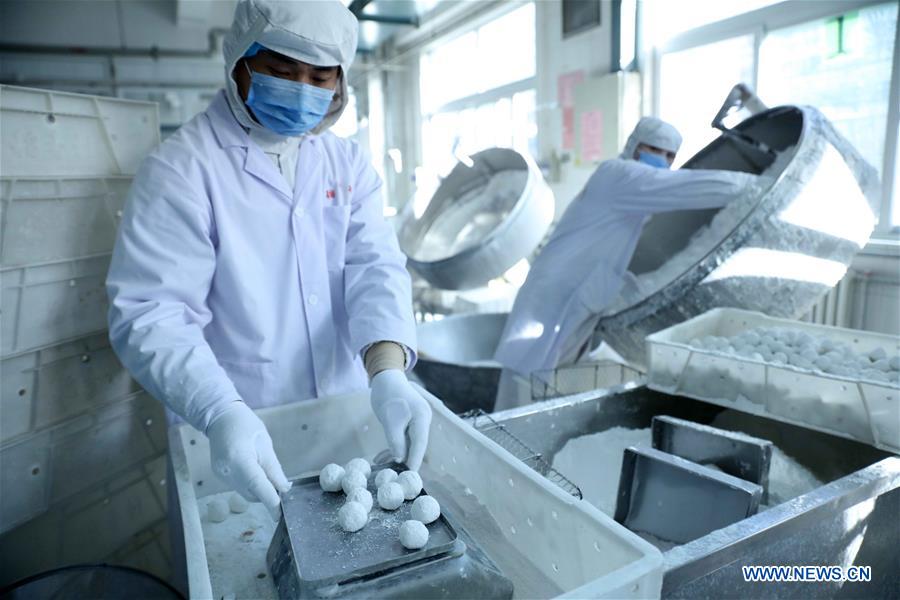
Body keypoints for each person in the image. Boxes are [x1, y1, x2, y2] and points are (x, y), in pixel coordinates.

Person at [106, 0, 431, 524]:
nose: (303, 88)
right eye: (282, 71)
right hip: (239, 432)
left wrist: (389, 372)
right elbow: (152, 313)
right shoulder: (182, 170)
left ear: (341, 83)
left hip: (345, 418)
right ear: (240, 61)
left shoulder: (346, 163)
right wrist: (220, 412)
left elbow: (375, 268)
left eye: (320, 76)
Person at [493, 117, 760, 410]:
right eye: (656, 150)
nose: (664, 160)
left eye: (671, 156)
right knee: (521, 389)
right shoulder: (619, 174)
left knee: (547, 381)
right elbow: (688, 186)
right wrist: (757, 185)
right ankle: (498, 447)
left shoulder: (631, 190)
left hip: (572, 298)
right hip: (552, 297)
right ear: (635, 145)